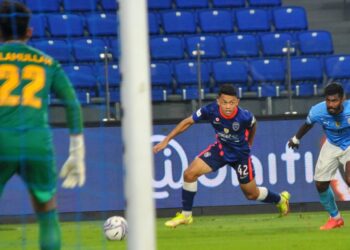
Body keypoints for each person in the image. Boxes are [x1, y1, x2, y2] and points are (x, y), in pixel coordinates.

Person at [0, 1, 86, 249]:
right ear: (29, 32)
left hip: (1, 140)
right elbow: (72, 105)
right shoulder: (48, 63)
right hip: (36, 143)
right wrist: (77, 152)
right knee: (47, 212)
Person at [153, 84, 290, 228]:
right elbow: (188, 122)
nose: (228, 106)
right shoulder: (211, 110)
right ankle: (186, 216)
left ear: (237, 102)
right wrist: (166, 140)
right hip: (220, 150)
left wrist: (249, 143)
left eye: (231, 103)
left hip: (240, 156)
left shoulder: (244, 116)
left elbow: (253, 125)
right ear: (218, 101)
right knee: (189, 174)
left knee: (252, 194)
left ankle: (280, 199)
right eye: (224, 102)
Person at [288, 82, 350, 230]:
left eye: (334, 100)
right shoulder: (318, 110)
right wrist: (296, 138)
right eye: (328, 100)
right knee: (321, 184)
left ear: (342, 99)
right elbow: (308, 123)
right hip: (332, 145)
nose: (330, 104)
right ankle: (335, 218)